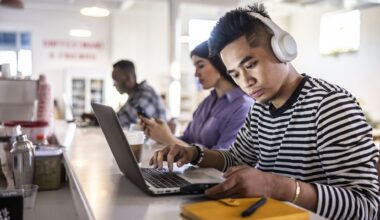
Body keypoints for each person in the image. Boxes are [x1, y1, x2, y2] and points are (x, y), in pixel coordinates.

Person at [149, 4, 379, 220]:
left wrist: (277, 187)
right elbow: (235, 158)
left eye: (250, 65)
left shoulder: (330, 105)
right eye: (235, 74)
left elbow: (366, 206)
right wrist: (194, 154)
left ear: (283, 49)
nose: (246, 82)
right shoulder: (261, 110)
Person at [140, 41, 253, 150]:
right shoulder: (207, 102)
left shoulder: (243, 107)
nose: (195, 73)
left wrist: (168, 139)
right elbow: (188, 140)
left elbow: (224, 158)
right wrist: (160, 135)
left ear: (220, 64)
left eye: (201, 65)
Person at [112, 60, 167, 128]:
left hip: (154, 138)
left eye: (115, 80)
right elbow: (118, 117)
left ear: (128, 78)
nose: (114, 84)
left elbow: (123, 121)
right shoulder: (134, 96)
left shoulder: (146, 93)